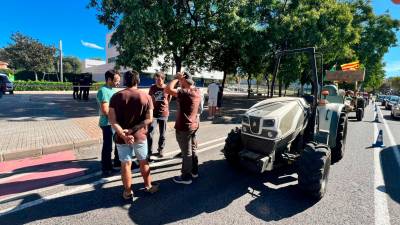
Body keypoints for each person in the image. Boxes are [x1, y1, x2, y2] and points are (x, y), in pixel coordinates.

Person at [109, 70, 159, 200]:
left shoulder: (116, 97)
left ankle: (127, 192)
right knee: (143, 161)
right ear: (138, 80)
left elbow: (112, 120)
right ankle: (148, 186)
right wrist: (133, 130)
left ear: (125, 81)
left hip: (121, 137)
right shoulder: (146, 97)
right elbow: (149, 119)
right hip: (140, 136)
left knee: (125, 164)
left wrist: (124, 134)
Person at [166, 71, 201, 184]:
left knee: (187, 153)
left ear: (184, 81)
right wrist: (183, 80)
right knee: (193, 150)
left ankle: (186, 177)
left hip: (184, 127)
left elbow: (167, 89)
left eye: (181, 81)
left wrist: (176, 78)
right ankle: (194, 172)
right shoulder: (197, 91)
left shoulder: (185, 92)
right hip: (193, 124)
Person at [96, 69, 121, 177]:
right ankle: (106, 168)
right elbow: (106, 111)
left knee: (117, 144)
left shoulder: (112, 90)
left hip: (114, 122)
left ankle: (116, 163)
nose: (118, 83)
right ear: (109, 79)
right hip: (107, 123)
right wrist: (115, 121)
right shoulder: (103, 91)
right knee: (108, 146)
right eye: (116, 80)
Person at [147, 72, 171, 158]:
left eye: (159, 79)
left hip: (164, 114)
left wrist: (164, 107)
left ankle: (160, 149)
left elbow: (169, 99)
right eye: (156, 79)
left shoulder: (167, 88)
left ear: (163, 79)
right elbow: (149, 99)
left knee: (162, 134)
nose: (157, 81)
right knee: (150, 133)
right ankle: (149, 151)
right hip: (153, 113)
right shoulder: (152, 87)